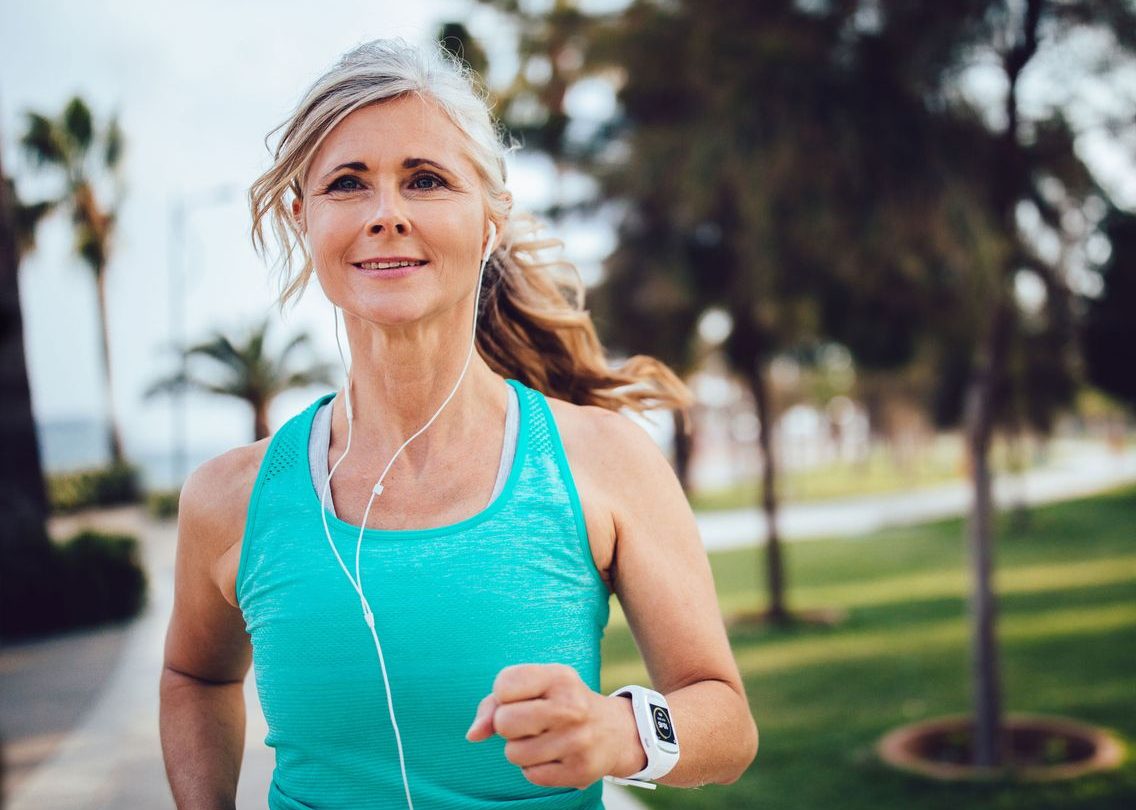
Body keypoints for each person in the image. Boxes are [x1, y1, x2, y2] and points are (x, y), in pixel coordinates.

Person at [159, 38, 757, 810]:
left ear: (489, 221)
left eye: (426, 179)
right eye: (348, 183)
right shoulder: (227, 500)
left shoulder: (601, 462)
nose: (386, 215)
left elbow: (727, 722)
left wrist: (620, 733)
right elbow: (194, 676)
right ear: (303, 220)